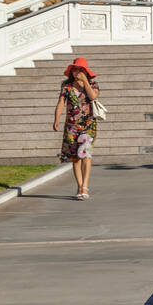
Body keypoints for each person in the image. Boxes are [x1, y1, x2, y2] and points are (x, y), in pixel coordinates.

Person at [54, 57, 99, 200]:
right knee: (75, 158)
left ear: (85, 71)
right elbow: (61, 102)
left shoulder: (93, 84)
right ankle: (79, 187)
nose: (76, 72)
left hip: (88, 125)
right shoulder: (66, 86)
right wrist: (56, 119)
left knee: (86, 154)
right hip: (71, 126)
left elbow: (92, 97)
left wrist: (85, 81)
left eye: (80, 69)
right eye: (74, 69)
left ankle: (85, 186)